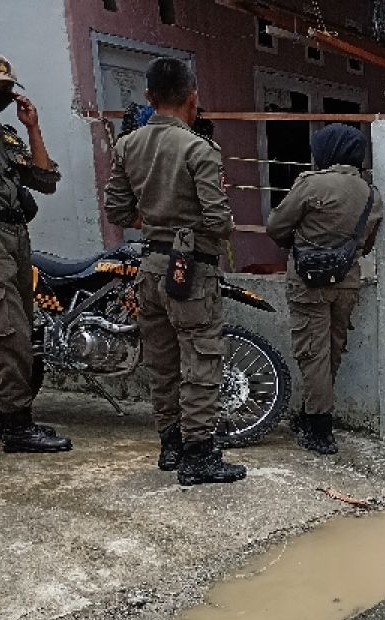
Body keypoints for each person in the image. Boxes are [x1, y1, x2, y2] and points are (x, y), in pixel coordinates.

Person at [104, 57, 245, 485]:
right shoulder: (199, 149)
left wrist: (157, 221)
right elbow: (219, 222)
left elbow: (117, 210)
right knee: (201, 357)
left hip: (149, 267)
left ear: (148, 97)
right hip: (191, 268)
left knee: (162, 361)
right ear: (193, 97)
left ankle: (171, 446)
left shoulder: (127, 145)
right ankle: (199, 455)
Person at [266, 124, 382, 455]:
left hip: (307, 281)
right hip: (346, 281)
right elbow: (368, 243)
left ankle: (320, 430)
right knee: (331, 350)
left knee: (311, 353)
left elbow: (276, 226)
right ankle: (310, 415)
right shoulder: (371, 194)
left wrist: (301, 242)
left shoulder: (311, 183)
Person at [0, 49, 71, 453]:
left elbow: (45, 180)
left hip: (15, 236)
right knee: (10, 331)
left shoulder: (2, 134)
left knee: (5, 332)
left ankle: (1, 416)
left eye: (7, 88)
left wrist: (32, 128)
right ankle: (18, 425)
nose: (3, 94)